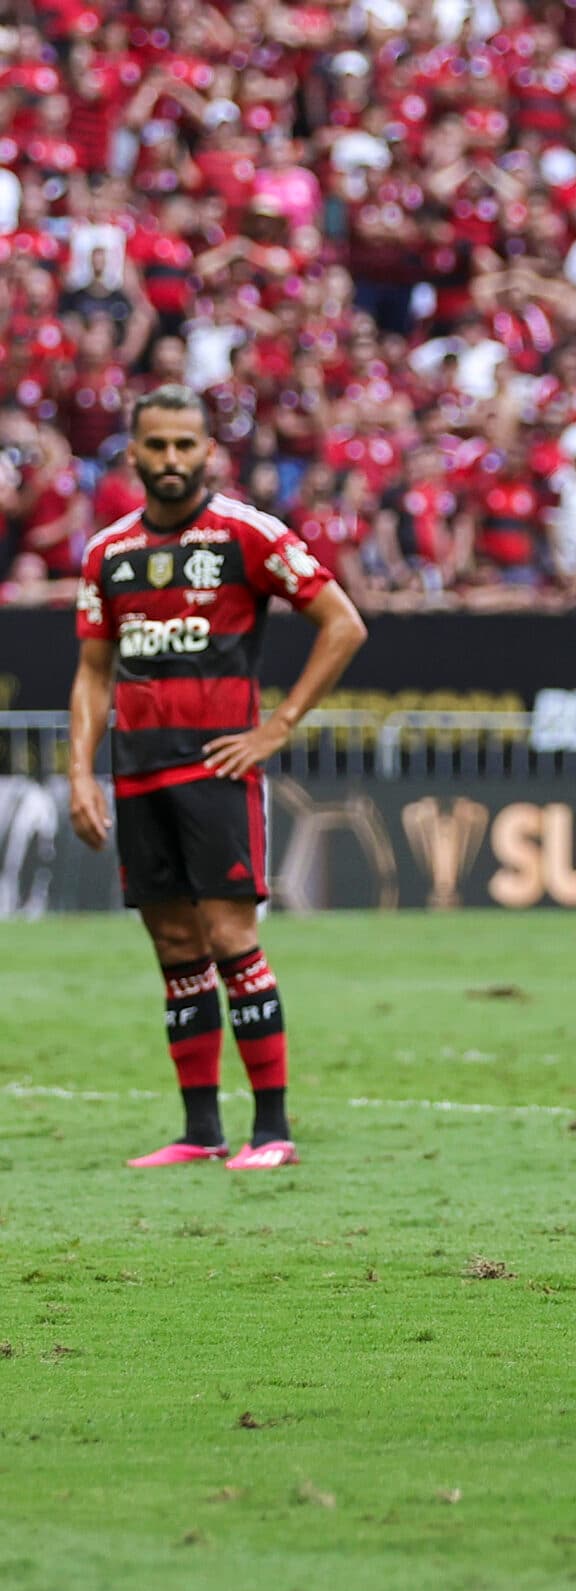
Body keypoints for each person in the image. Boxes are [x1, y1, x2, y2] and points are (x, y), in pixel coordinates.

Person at [66, 386, 368, 1171]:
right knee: (173, 945)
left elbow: (343, 623)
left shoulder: (247, 534)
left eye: (185, 446)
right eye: (157, 446)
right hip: (135, 774)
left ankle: (273, 1131)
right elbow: (93, 673)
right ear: (132, 453)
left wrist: (279, 725)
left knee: (232, 938)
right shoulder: (108, 552)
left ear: (209, 451)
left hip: (216, 769)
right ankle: (201, 1133)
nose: (172, 461)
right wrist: (79, 773)